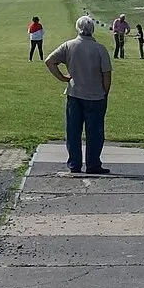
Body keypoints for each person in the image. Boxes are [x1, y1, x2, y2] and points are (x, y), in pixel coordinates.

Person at [44, 15, 114, 175]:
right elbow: (107, 75)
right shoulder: (100, 49)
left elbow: (49, 61)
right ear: (92, 30)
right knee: (95, 132)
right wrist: (105, 92)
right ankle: (93, 164)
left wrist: (63, 78)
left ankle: (74, 164)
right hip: (96, 95)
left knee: (73, 131)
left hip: (74, 93)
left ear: (78, 28)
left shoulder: (69, 46)